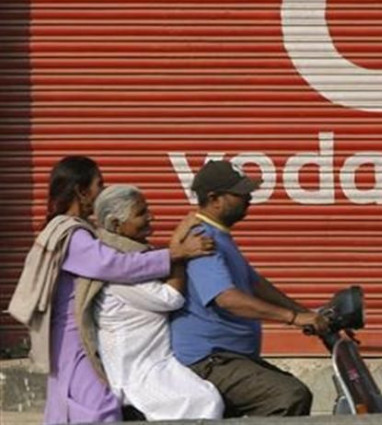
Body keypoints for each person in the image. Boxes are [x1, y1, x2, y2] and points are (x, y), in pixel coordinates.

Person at [7, 156, 213, 424]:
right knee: (97, 406)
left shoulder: (79, 231)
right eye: (98, 185)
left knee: (73, 401)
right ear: (82, 191)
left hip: (80, 333)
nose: (102, 191)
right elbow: (114, 265)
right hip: (72, 337)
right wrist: (174, 254)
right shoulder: (74, 235)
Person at [170, 160, 329, 417]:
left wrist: (308, 313)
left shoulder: (220, 236)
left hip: (231, 358)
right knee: (288, 397)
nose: (248, 198)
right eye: (240, 193)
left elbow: (256, 284)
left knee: (295, 394)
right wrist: (293, 318)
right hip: (209, 360)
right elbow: (227, 298)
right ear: (214, 199)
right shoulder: (201, 239)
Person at [92, 184, 224, 420]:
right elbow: (171, 298)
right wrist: (180, 251)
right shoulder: (116, 267)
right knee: (204, 401)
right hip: (137, 373)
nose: (151, 216)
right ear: (115, 225)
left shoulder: (134, 256)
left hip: (157, 362)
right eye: (141, 213)